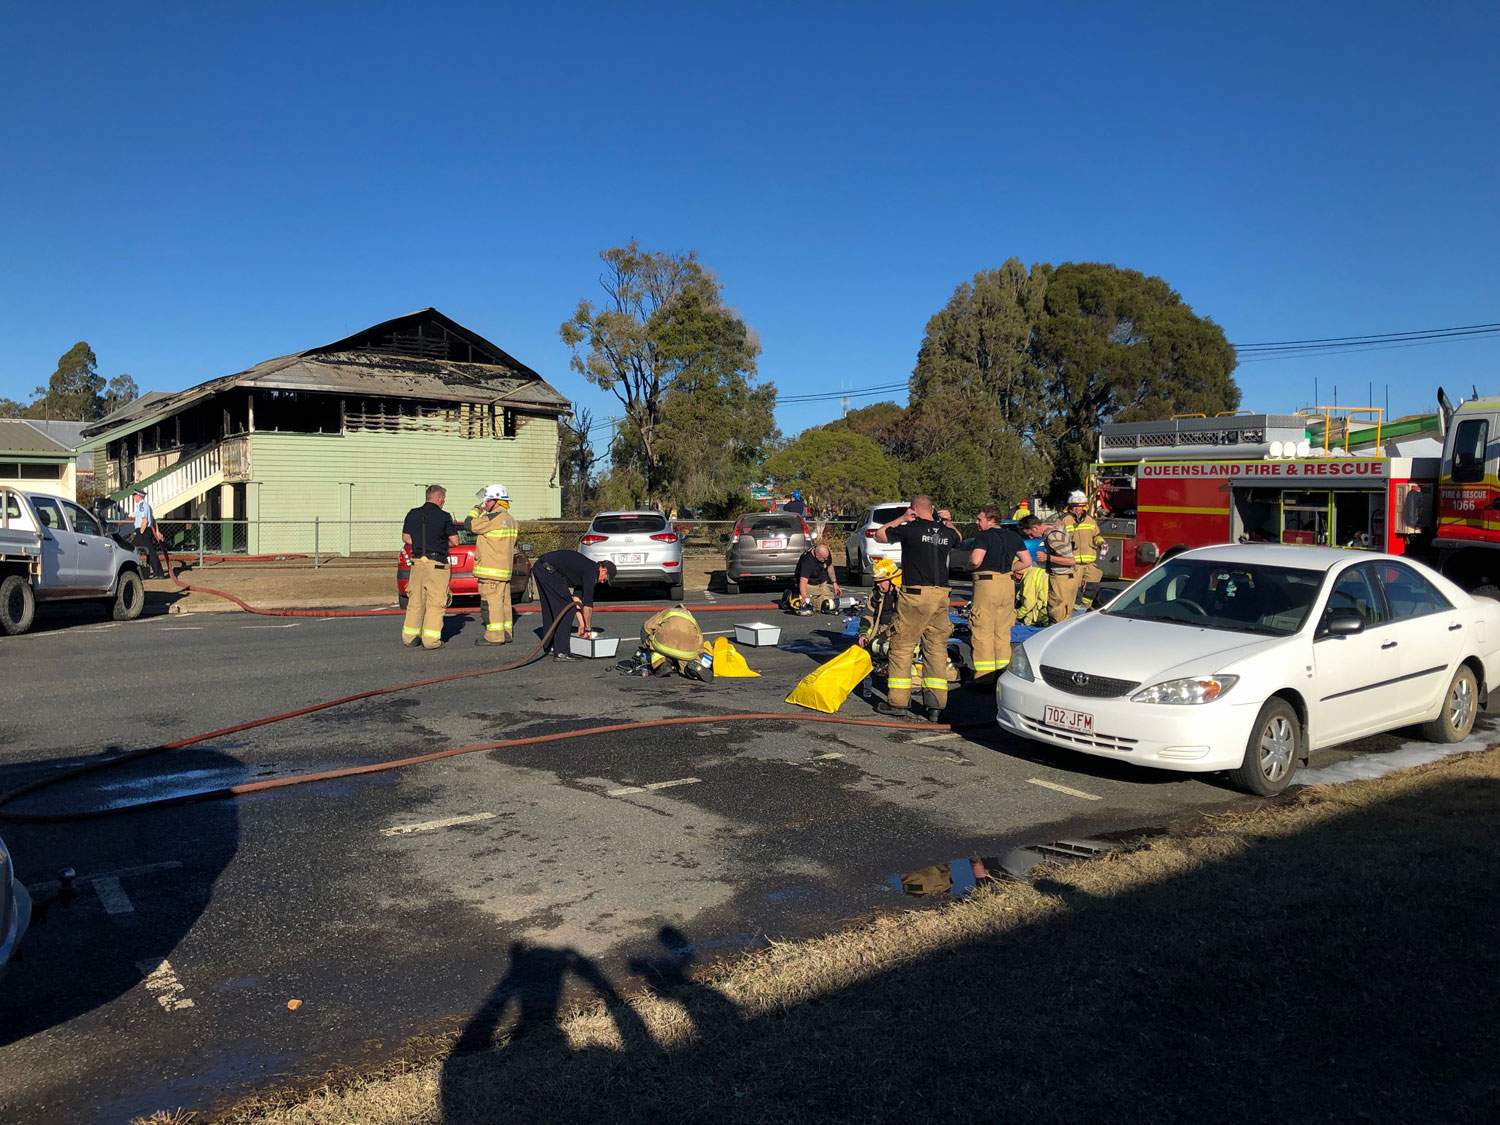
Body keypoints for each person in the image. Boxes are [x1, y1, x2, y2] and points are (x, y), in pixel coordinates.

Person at [872, 495, 960, 721]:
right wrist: (947, 521)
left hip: (915, 596)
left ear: (913, 509)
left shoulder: (909, 529)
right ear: (933, 509)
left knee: (902, 646)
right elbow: (958, 538)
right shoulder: (945, 532)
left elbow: (880, 535)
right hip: (941, 596)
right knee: (936, 648)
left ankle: (898, 702)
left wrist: (901, 517)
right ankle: (935, 706)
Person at [968, 506, 1031, 682]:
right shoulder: (1013, 536)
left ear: (990, 520)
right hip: (1007, 584)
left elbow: (975, 560)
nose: (977, 523)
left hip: (987, 584)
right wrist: (1010, 568)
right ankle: (1002, 674)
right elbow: (1027, 561)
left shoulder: (983, 536)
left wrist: (971, 566)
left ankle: (983, 678)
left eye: (980, 519)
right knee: (1003, 632)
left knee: (983, 630)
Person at [401, 484, 459, 650]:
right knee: (436, 603)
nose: (444, 502)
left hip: (417, 563)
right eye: (443, 499)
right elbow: (455, 541)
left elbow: (406, 538)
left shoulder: (413, 514)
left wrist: (421, 543)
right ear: (439, 498)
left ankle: (410, 637)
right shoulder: (444, 516)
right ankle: (431, 641)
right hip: (437, 565)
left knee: (415, 601)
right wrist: (440, 544)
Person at [533, 549, 616, 661]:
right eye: (605, 579)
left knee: (551, 608)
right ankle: (561, 651)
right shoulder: (592, 571)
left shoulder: (585, 569)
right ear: (603, 570)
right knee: (566, 609)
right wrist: (588, 628)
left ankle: (550, 646)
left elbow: (576, 600)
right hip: (549, 570)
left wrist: (581, 624)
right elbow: (588, 605)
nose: (602, 582)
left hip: (540, 567)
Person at [465, 483, 519, 646]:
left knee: (492, 603)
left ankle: (495, 636)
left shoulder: (492, 517)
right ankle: (506, 632)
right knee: (504, 602)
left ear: (496, 501)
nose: (485, 504)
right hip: (504, 571)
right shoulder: (511, 520)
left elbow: (470, 525)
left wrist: (475, 510)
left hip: (490, 571)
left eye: (487, 501)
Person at [637, 604, 712, 681]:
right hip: (686, 650)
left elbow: (647, 627)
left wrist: (646, 644)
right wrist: (696, 656)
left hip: (663, 646)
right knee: (683, 658)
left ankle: (662, 664)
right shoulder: (691, 619)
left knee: (655, 650)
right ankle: (690, 670)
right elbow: (699, 640)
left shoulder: (667, 612)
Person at [1061, 489, 1105, 608]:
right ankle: (1075, 608)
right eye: (1075, 506)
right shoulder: (1064, 520)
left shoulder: (1090, 520)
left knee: (1094, 581)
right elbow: (1058, 538)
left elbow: (1096, 535)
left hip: (1089, 562)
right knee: (1075, 589)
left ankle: (1085, 606)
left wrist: (1101, 542)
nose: (1078, 509)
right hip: (1073, 562)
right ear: (1070, 506)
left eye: (1081, 506)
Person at [856, 557, 901, 652]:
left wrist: (884, 637)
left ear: (892, 579)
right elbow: (867, 616)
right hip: (879, 634)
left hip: (897, 637)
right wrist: (864, 634)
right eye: (876, 581)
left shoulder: (904, 597)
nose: (877, 584)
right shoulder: (876, 595)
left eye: (880, 581)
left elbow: (903, 623)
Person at [1044, 512, 1079, 624]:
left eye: (1030, 533)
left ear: (1035, 528)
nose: (1031, 537)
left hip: (1062, 577)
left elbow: (1070, 561)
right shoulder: (1061, 530)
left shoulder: (1053, 536)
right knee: (1066, 611)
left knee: (1057, 610)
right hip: (1070, 576)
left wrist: (1048, 557)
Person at [130, 489, 168, 579]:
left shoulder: (142, 506)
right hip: (143, 530)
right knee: (146, 551)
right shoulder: (144, 506)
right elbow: (153, 520)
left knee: (147, 551)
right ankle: (155, 572)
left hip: (143, 531)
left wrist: (141, 532)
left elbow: (145, 520)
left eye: (135, 495)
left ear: (139, 496)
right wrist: (157, 531)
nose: (133, 497)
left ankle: (158, 573)